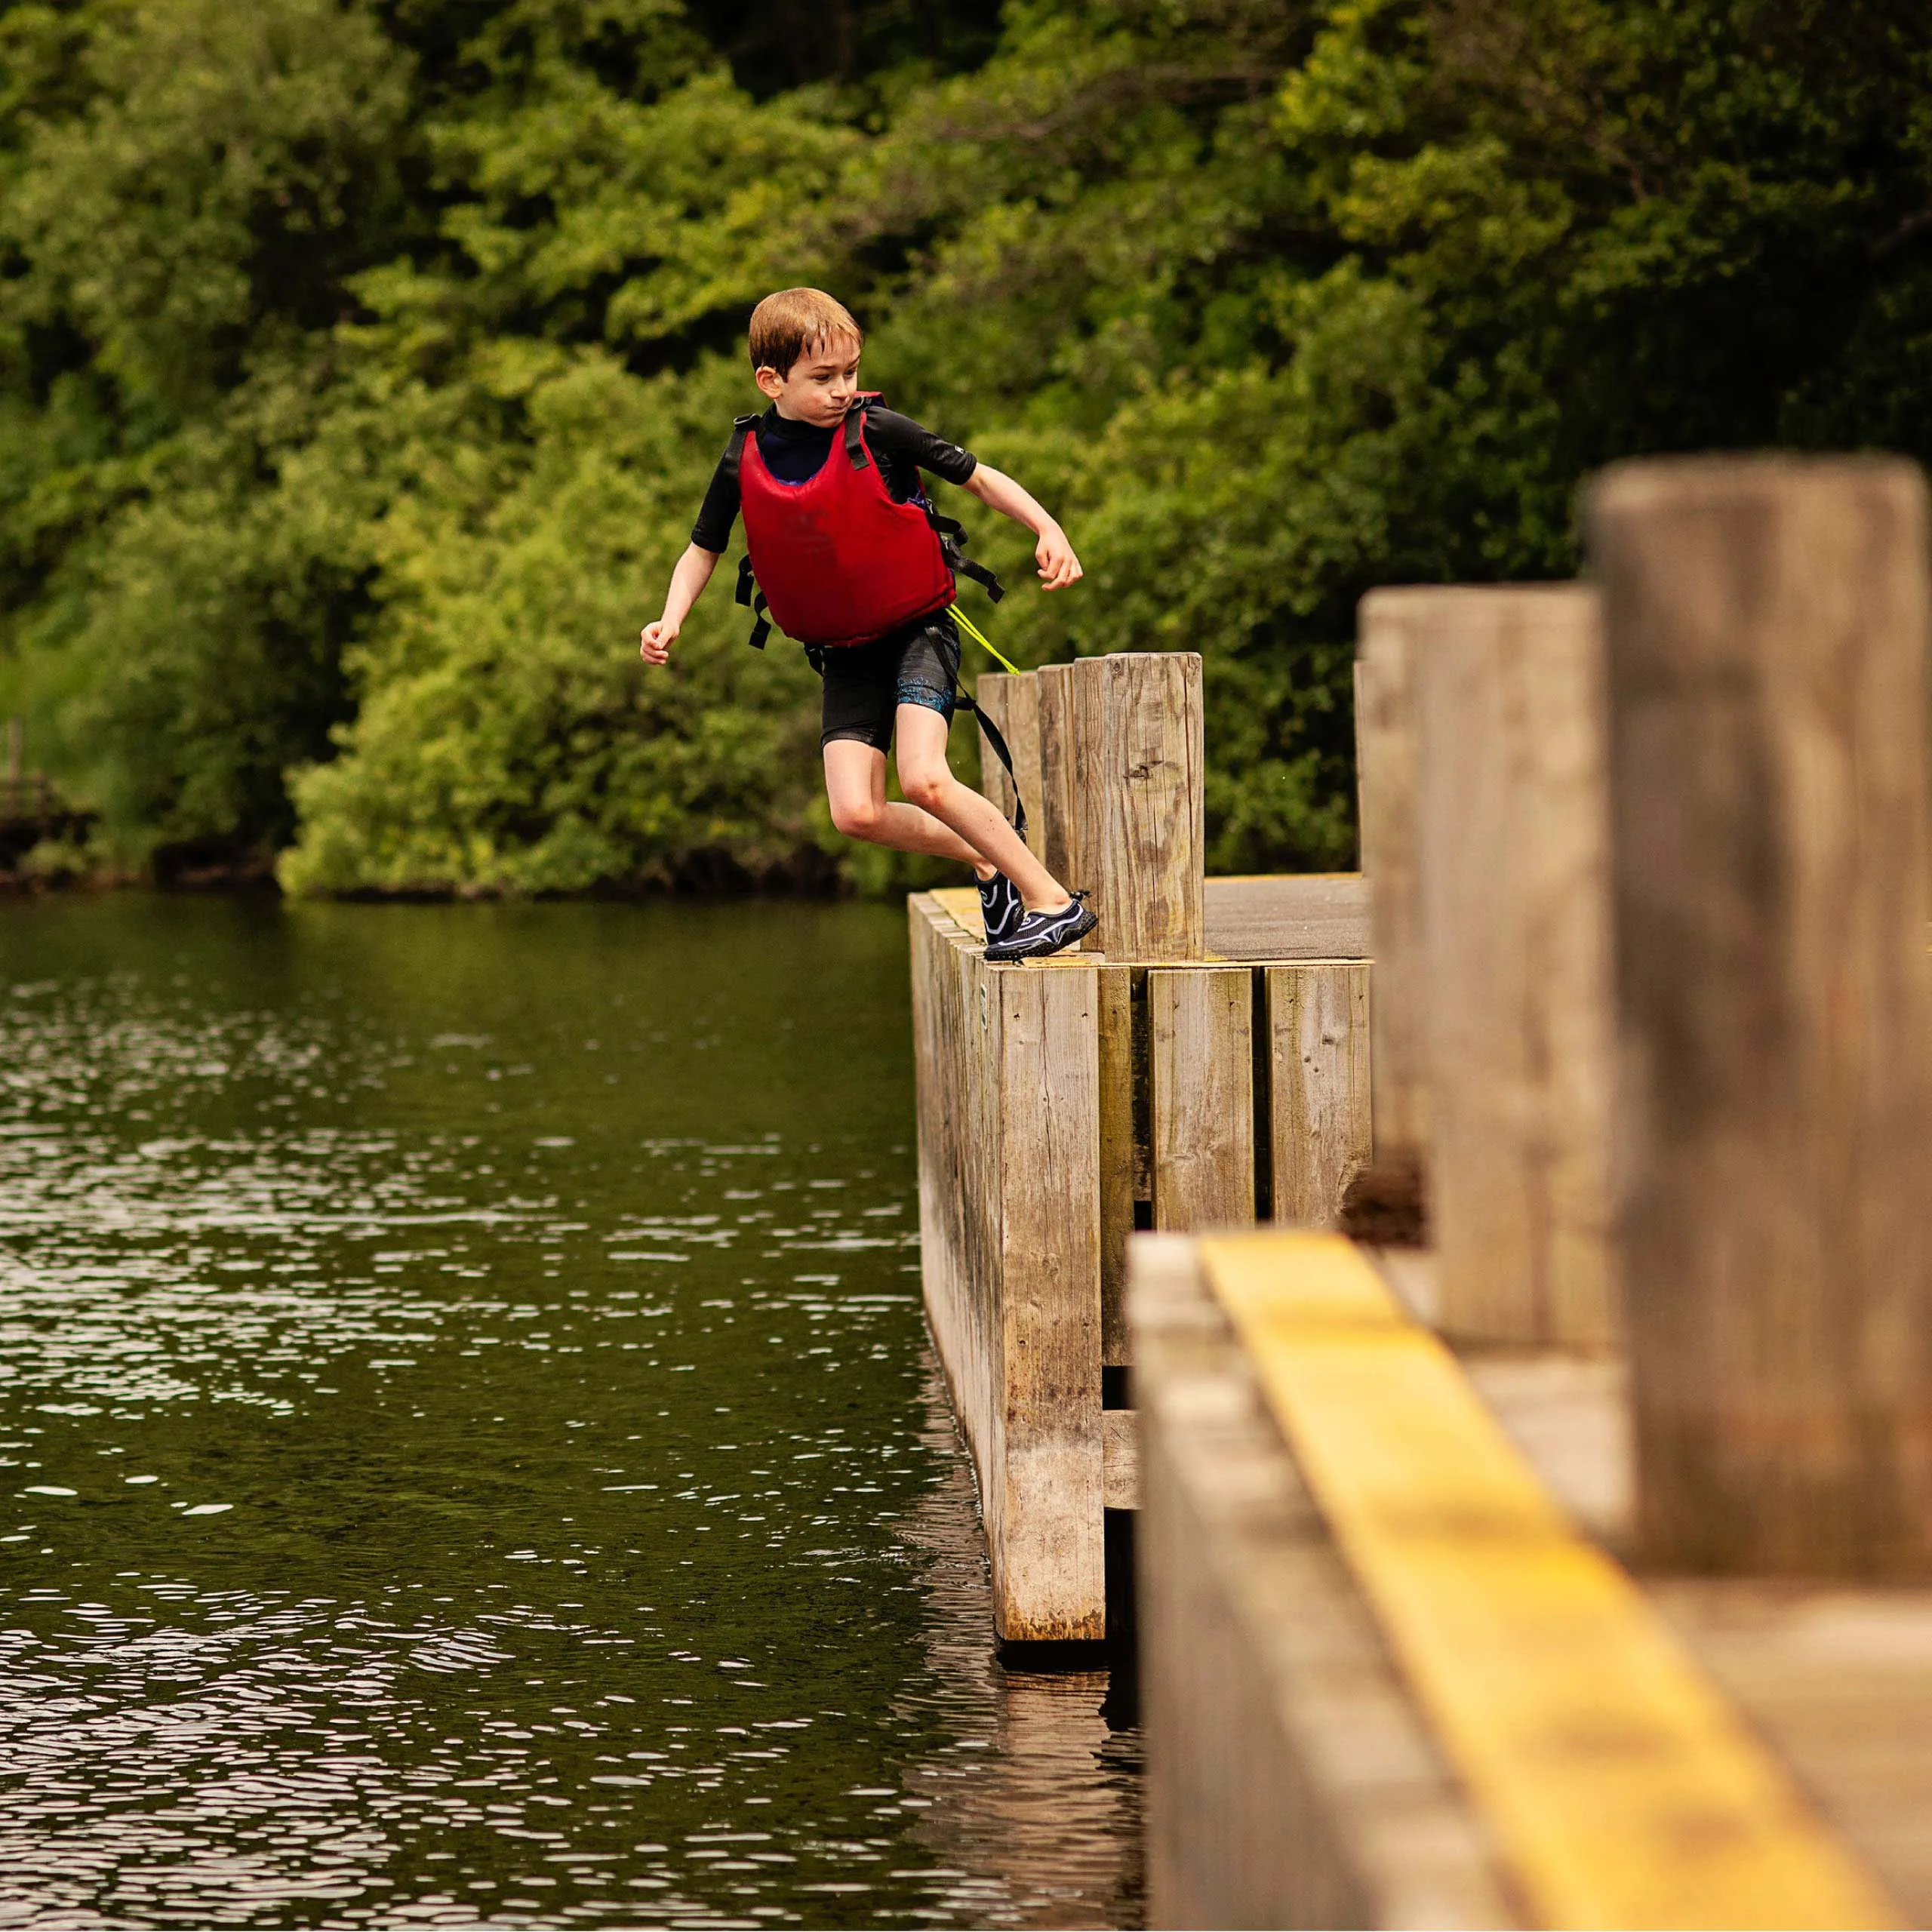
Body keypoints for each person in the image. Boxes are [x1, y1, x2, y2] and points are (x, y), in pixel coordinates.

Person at [638, 287, 1097, 962]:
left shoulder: (877, 428)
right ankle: (987, 857)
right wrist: (669, 617)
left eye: (849, 373)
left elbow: (977, 478)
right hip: (843, 650)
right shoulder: (744, 455)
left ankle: (1052, 903)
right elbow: (702, 547)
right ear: (771, 380)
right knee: (855, 814)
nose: (842, 390)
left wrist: (1046, 527)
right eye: (823, 379)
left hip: (918, 631)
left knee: (924, 778)